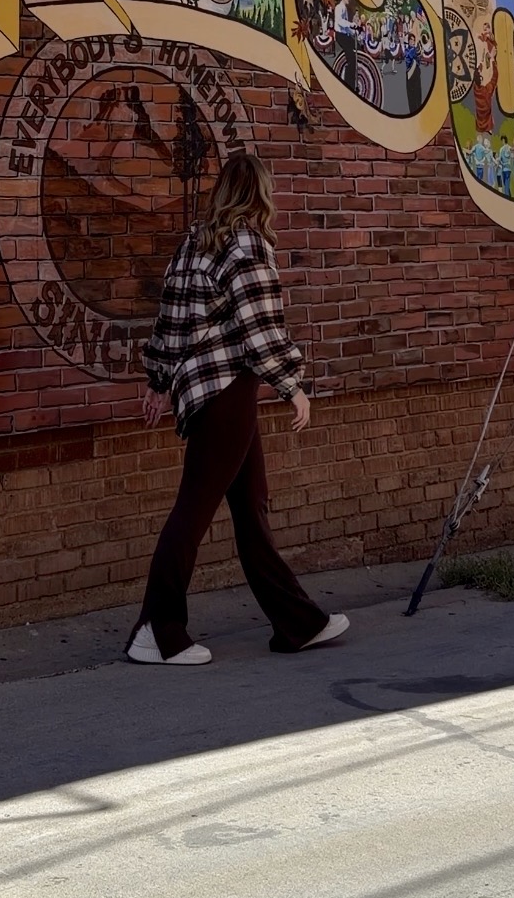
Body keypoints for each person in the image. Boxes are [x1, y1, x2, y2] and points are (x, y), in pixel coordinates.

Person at [127, 153, 348, 665]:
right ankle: (157, 632)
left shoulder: (194, 242)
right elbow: (259, 327)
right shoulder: (247, 244)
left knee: (251, 510)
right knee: (194, 509)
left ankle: (297, 622)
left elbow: (170, 317)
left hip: (206, 389)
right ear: (261, 195)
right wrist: (292, 385)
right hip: (229, 390)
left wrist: (159, 380)